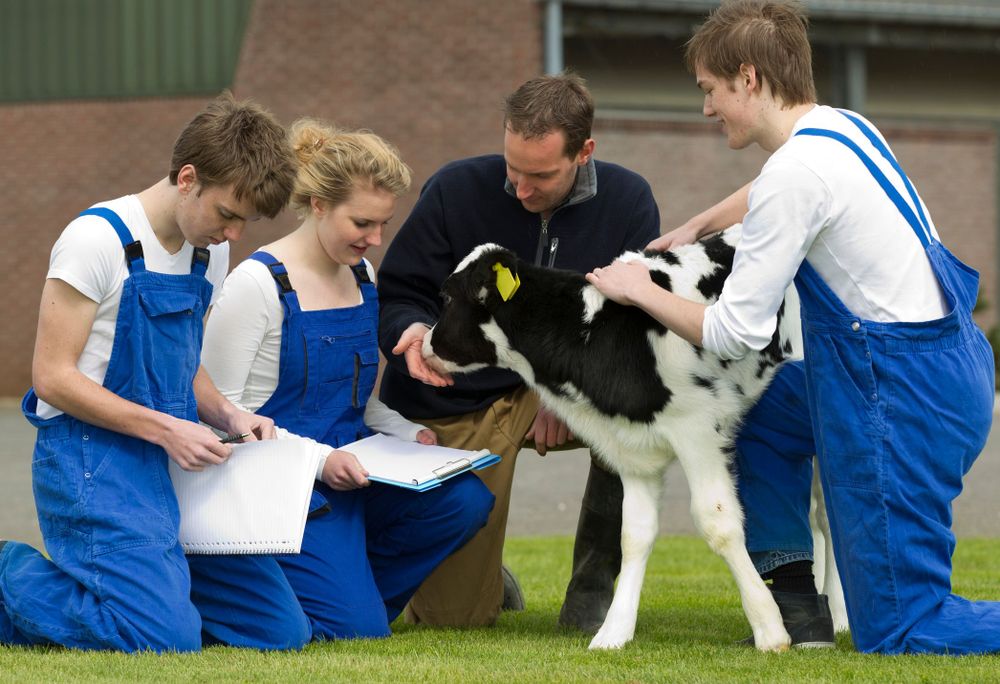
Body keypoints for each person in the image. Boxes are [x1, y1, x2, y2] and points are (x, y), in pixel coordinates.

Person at [586, 0, 1000, 655]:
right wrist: (700, 224)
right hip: (938, 368)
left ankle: (888, 615)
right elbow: (772, 188)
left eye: (710, 90)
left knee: (902, 627)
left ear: (748, 79)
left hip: (901, 397)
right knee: (760, 414)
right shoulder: (840, 128)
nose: (707, 108)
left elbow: (734, 334)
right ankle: (794, 601)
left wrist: (640, 289)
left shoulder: (796, 174)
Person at [0, 93, 312, 652]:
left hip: (173, 459)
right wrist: (169, 430)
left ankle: (154, 591)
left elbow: (184, 365)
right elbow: (51, 378)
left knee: (279, 631)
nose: (234, 235)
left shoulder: (208, 251)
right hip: (91, 458)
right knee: (162, 638)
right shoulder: (96, 240)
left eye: (246, 222)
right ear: (188, 178)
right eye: (228, 214)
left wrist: (229, 415)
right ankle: (8, 574)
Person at [377, 73, 660, 629]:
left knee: (635, 416)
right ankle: (486, 575)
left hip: (573, 389)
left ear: (584, 152)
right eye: (513, 169)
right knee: (453, 619)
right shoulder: (454, 188)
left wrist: (564, 392)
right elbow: (400, 290)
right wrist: (409, 329)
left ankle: (592, 590)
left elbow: (631, 324)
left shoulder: (630, 201)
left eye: (541, 175)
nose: (522, 189)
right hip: (463, 395)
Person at [200, 118, 495, 640]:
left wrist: (406, 431)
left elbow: (351, 397)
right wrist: (320, 461)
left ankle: (343, 596)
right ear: (318, 205)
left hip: (357, 472)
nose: (375, 240)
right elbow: (219, 417)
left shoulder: (363, 275)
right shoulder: (257, 285)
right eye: (362, 223)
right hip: (286, 487)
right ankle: (314, 601)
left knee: (465, 501)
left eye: (383, 224)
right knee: (358, 628)